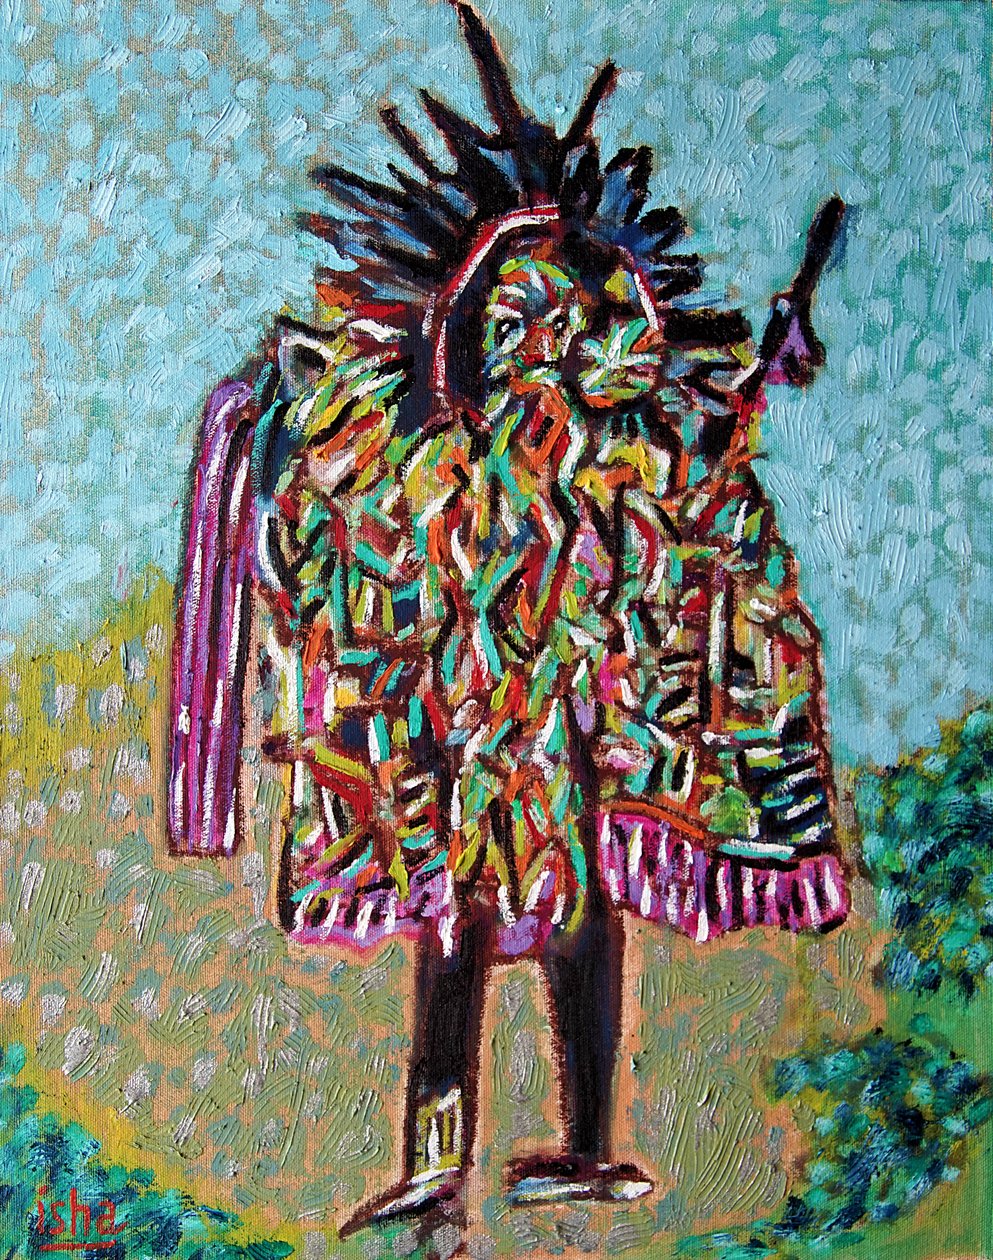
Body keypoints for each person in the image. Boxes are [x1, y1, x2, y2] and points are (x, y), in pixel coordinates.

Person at [168, 1, 849, 1237]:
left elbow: (688, 529)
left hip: (574, 755)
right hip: (476, 757)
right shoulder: (448, 475)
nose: (595, 351)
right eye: (549, 327)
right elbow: (377, 534)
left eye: (594, 327)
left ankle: (587, 1144)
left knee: (581, 931)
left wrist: (728, 437)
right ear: (503, 337)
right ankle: (438, 1156)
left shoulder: (617, 473)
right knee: (455, 938)